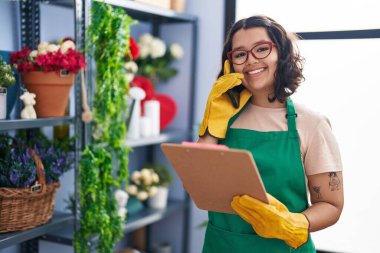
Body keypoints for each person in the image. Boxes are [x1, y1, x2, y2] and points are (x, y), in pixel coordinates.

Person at [198, 15, 344, 253]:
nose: (250, 61)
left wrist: (294, 224)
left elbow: (331, 204)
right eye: (240, 54)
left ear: (282, 53)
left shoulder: (311, 124)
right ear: (230, 63)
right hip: (221, 246)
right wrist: (211, 124)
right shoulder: (221, 117)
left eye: (262, 49)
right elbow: (201, 184)